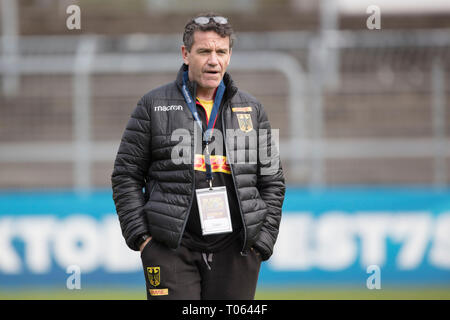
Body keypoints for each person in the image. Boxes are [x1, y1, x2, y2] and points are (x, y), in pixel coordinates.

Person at [111, 12, 285, 300]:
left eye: (221, 51)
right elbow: (125, 176)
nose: (213, 60)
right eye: (204, 51)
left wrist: (261, 243)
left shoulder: (253, 109)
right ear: (185, 54)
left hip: (237, 251)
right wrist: (143, 240)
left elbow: (273, 180)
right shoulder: (152, 105)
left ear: (229, 55)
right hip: (170, 249)